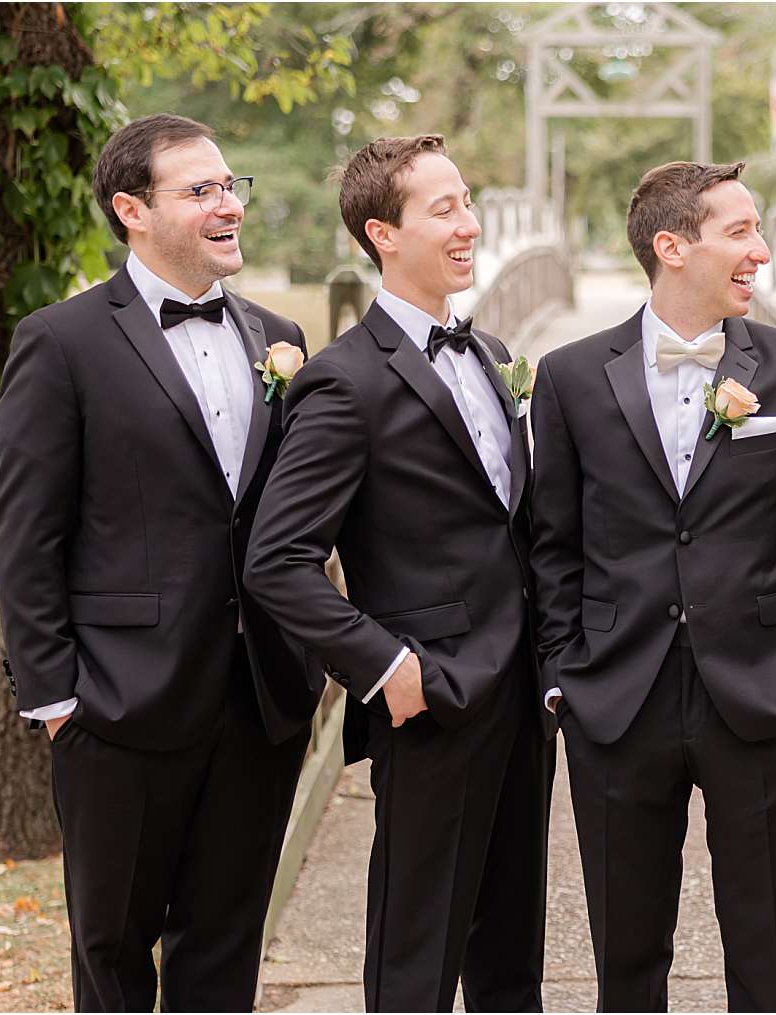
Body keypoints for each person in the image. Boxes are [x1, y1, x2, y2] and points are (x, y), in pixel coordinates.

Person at [0, 113, 323, 1010]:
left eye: (231, 186)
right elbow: (24, 535)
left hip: (257, 703)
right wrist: (57, 702)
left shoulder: (278, 335)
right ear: (131, 209)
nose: (230, 206)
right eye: (202, 191)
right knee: (113, 955)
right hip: (116, 707)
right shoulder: (61, 341)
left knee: (224, 953)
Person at [530, 159, 776, 1012]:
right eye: (741, 232)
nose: (761, 253)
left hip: (760, 695)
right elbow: (552, 542)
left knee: (765, 955)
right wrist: (564, 673)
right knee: (626, 962)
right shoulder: (566, 376)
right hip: (614, 698)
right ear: (673, 246)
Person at [242, 133, 551, 1013]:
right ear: (383, 233)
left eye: (468, 201)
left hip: (524, 697)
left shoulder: (492, 353)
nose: (470, 224)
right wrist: (389, 668)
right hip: (434, 701)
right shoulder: (343, 382)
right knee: (415, 963)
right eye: (443, 208)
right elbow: (279, 560)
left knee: (512, 961)